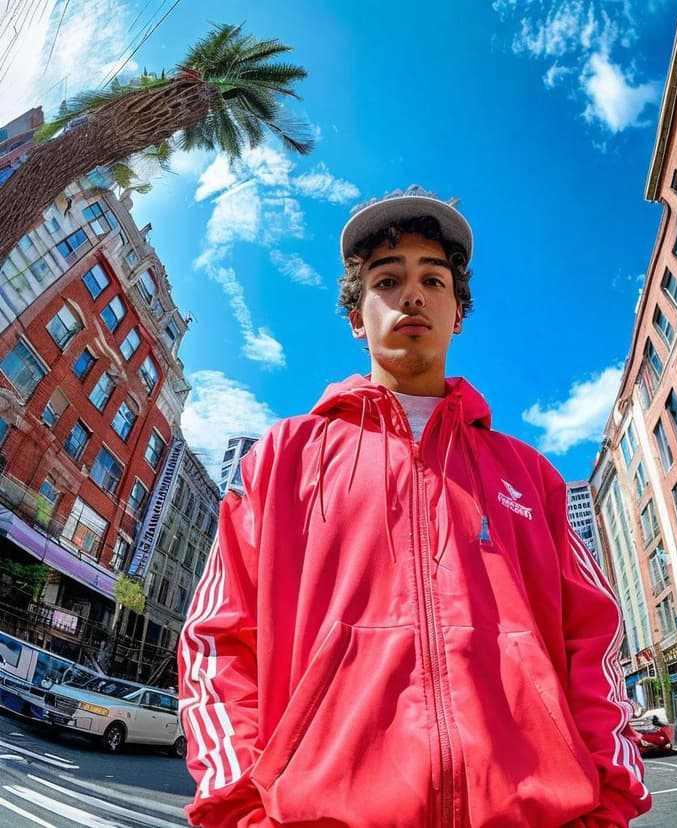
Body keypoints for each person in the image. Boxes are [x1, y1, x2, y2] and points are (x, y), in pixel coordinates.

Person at [178, 188, 651, 827]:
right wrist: (240, 811)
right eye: (387, 279)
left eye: (434, 278)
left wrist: (607, 805)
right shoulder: (280, 459)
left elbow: (594, 641)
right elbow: (217, 639)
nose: (413, 294)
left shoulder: (530, 475)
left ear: (458, 314)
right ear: (357, 316)